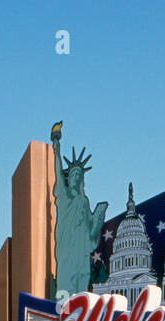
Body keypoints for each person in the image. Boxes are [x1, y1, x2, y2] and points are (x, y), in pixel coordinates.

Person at [51, 123, 108, 299]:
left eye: (79, 175)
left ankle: (80, 311)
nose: (76, 177)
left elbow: (92, 229)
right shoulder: (64, 196)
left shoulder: (84, 201)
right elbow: (59, 174)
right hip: (68, 243)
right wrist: (57, 150)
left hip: (82, 247)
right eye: (74, 174)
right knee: (67, 278)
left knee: (82, 278)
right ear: (70, 179)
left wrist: (98, 216)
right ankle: (63, 307)